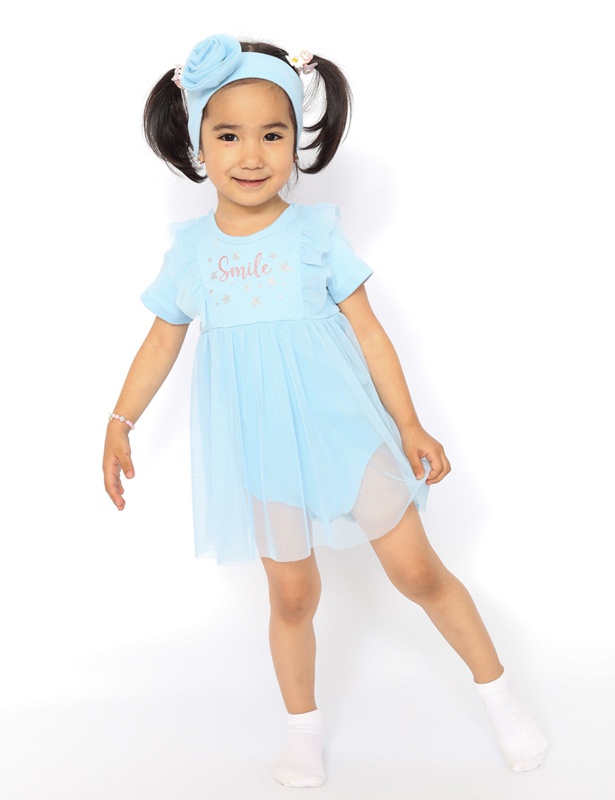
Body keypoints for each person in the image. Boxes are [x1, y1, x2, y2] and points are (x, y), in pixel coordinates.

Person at [102, 34, 547, 788]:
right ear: (197, 144)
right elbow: (160, 341)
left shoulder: (315, 234)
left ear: (296, 143)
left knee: (417, 572)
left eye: (272, 134)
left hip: (347, 436)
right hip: (264, 450)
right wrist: (120, 422)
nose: (252, 154)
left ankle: (501, 697)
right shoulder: (192, 253)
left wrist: (409, 424)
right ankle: (302, 729)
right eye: (228, 135)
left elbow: (370, 334)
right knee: (291, 595)